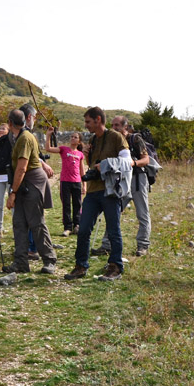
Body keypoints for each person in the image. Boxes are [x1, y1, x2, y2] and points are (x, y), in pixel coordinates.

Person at [65, 107, 130, 281]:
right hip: (93, 191)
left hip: (110, 191)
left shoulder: (116, 137)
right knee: (84, 229)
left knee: (113, 230)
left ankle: (115, 267)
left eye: (88, 122)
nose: (85, 125)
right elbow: (93, 167)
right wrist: (87, 157)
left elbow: (127, 162)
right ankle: (80, 266)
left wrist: (107, 164)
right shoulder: (93, 139)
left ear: (98, 119)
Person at [3, 109, 57, 274]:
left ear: (10, 123)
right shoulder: (19, 137)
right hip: (23, 184)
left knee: (36, 223)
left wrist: (12, 192)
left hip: (31, 182)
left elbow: (22, 168)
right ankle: (20, 262)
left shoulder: (25, 138)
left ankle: (49, 259)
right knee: (19, 223)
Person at [110, 117, 151, 256]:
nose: (114, 127)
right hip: (121, 180)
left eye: (117, 125)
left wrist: (133, 163)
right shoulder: (112, 141)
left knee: (142, 213)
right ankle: (107, 244)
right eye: (112, 125)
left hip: (138, 179)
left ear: (125, 127)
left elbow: (146, 159)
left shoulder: (135, 139)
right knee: (113, 212)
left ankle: (143, 245)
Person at [44, 127, 85, 237]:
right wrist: (48, 134)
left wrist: (84, 185)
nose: (72, 138)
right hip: (65, 181)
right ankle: (67, 227)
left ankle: (77, 225)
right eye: (71, 136)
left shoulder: (80, 154)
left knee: (77, 204)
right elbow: (48, 148)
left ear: (79, 141)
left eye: (75, 137)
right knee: (66, 205)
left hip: (76, 182)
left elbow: (82, 170)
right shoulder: (63, 149)